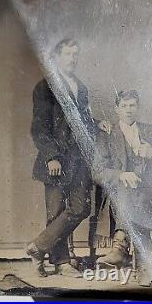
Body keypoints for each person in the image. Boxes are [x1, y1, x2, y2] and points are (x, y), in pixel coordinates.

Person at [27, 38, 108, 277]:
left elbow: (80, 124)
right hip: (55, 161)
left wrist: (97, 123)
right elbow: (39, 129)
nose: (73, 58)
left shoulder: (81, 88)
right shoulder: (45, 87)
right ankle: (61, 263)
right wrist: (52, 156)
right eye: (68, 54)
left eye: (76, 54)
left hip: (78, 161)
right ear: (57, 57)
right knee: (55, 213)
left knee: (80, 207)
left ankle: (38, 248)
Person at [93, 90, 152, 286]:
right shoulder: (107, 134)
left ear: (138, 108)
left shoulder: (151, 132)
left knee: (137, 193)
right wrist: (121, 175)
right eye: (124, 106)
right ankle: (143, 264)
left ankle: (119, 247)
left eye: (132, 106)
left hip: (148, 192)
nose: (128, 110)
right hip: (119, 192)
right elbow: (98, 171)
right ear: (116, 109)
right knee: (128, 190)